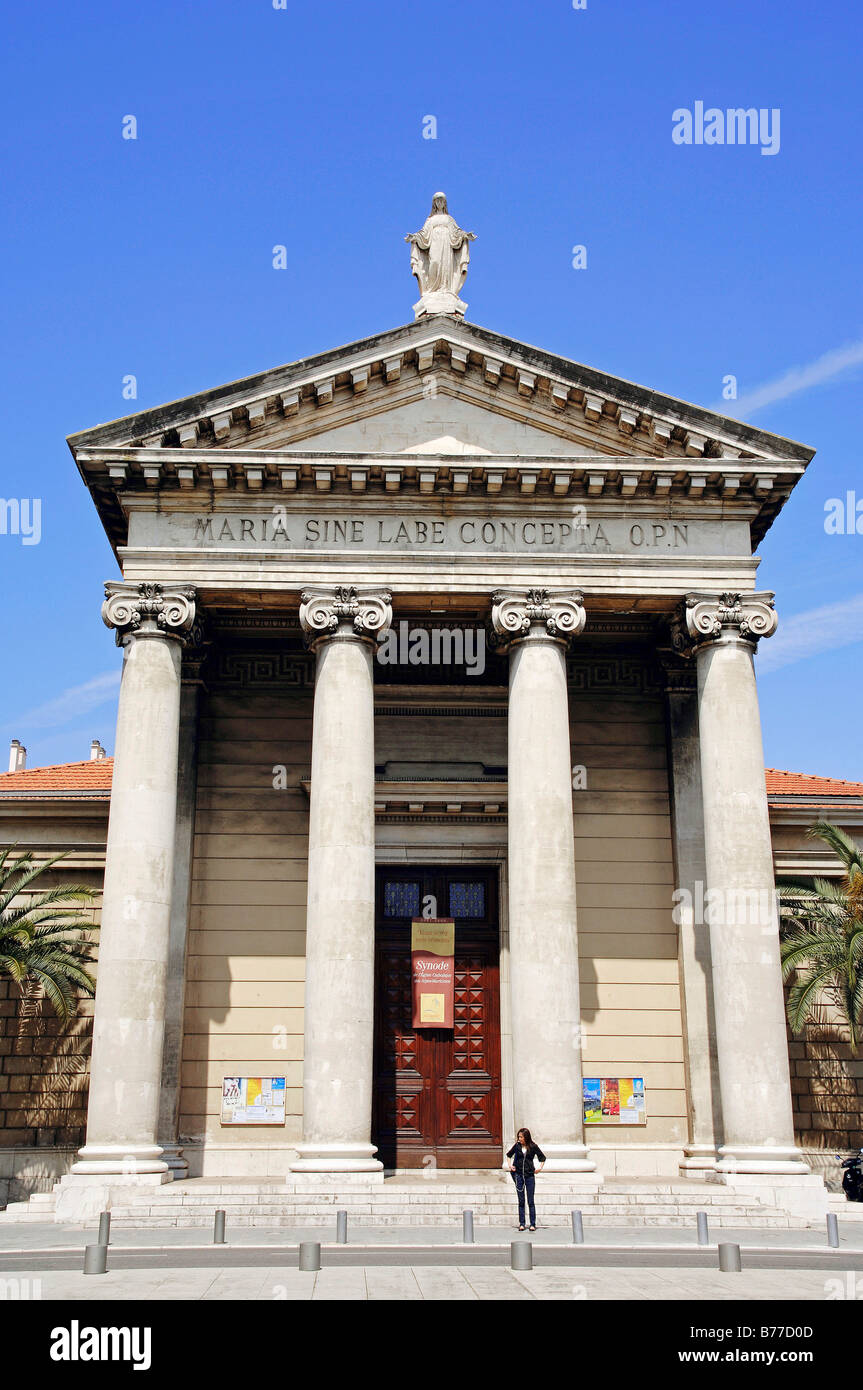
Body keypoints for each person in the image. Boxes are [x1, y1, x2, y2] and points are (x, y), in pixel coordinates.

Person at [507, 1127, 546, 1231]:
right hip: (519, 1175)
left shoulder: (533, 1146)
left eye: (521, 1137)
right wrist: (510, 1165)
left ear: (526, 1137)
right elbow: (508, 1155)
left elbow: (542, 1157)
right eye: (518, 1137)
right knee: (521, 1200)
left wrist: (539, 1168)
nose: (519, 1139)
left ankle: (532, 1224)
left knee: (530, 1200)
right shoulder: (517, 1146)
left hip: (529, 1176)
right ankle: (522, 1223)